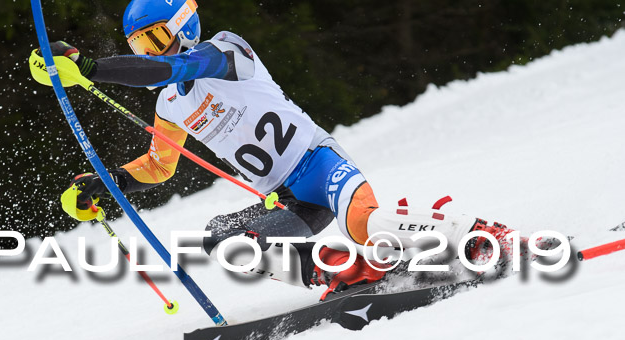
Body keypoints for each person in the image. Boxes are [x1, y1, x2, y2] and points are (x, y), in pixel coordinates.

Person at [52, 0, 514, 299]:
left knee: (359, 222)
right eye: (138, 44)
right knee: (226, 241)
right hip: (288, 200)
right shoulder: (169, 104)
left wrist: (90, 67)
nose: (147, 53)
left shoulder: (226, 51)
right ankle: (346, 275)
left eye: (153, 39)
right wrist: (106, 183)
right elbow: (159, 164)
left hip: (319, 164)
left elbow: (175, 67)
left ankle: (479, 234)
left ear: (183, 25)